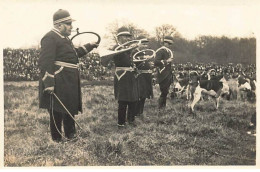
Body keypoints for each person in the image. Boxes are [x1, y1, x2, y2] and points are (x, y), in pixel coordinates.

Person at [38, 9, 98, 142]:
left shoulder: (64, 38)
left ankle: (71, 135)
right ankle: (57, 139)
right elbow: (45, 62)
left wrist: (89, 46)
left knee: (69, 107)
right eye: (69, 24)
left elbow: (72, 55)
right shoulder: (50, 37)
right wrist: (49, 84)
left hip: (68, 79)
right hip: (59, 79)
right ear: (59, 25)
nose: (71, 27)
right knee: (57, 110)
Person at [112, 27, 140, 128]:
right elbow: (121, 60)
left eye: (129, 37)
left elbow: (130, 61)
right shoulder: (116, 48)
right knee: (123, 100)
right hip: (122, 75)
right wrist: (130, 49)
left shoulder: (127, 49)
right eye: (125, 36)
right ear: (119, 37)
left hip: (130, 75)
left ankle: (131, 119)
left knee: (133, 99)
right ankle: (121, 123)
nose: (128, 39)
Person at [132, 36, 154, 117]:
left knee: (144, 95)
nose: (145, 46)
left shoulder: (144, 53)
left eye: (146, 45)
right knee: (139, 95)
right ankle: (135, 112)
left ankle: (140, 112)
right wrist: (144, 58)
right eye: (143, 44)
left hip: (146, 76)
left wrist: (150, 64)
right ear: (138, 44)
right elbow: (134, 61)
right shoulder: (134, 52)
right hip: (139, 76)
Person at [154, 36, 174, 109]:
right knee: (164, 91)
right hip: (162, 74)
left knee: (166, 91)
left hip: (168, 74)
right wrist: (166, 61)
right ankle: (160, 108)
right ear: (164, 43)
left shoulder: (168, 51)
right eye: (167, 43)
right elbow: (156, 62)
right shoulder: (160, 51)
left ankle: (163, 107)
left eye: (170, 44)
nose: (169, 45)